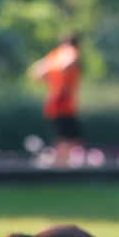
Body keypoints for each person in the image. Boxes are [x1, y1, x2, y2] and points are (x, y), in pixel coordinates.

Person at [28, 33, 83, 166]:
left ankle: (60, 164)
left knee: (64, 137)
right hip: (62, 103)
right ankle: (61, 166)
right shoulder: (70, 52)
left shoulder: (53, 56)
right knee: (69, 139)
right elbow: (69, 62)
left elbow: (35, 73)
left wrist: (53, 74)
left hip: (53, 104)